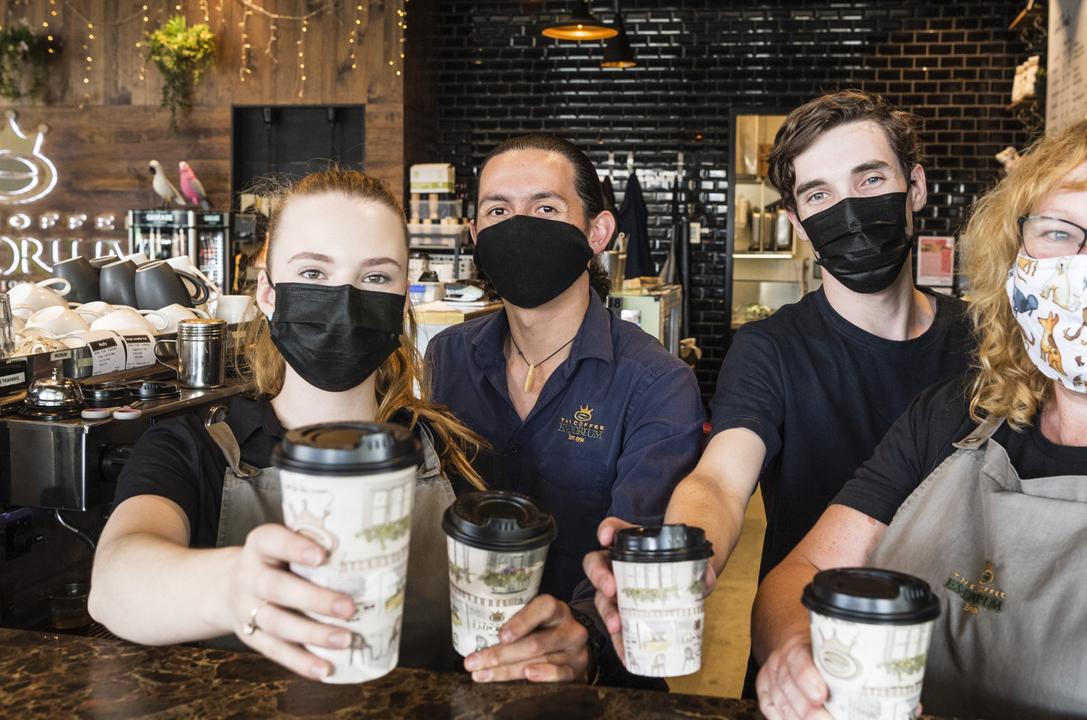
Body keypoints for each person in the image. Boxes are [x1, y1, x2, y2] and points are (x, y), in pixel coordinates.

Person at [753, 104, 1087, 718]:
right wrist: (796, 653)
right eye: (1059, 232)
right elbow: (804, 571)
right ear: (1017, 249)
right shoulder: (957, 414)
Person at [89, 168, 592, 685]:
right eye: (312, 274)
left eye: (375, 278)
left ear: (401, 302)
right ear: (267, 292)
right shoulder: (195, 446)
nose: (344, 299)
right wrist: (229, 587)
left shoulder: (452, 453)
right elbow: (115, 583)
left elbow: (515, 614)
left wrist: (551, 645)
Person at [583, 90, 973, 686]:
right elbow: (720, 477)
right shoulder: (772, 350)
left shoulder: (986, 342)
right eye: (820, 195)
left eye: (870, 181)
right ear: (798, 222)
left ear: (914, 187)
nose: (848, 210)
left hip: (960, 657)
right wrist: (684, 551)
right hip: (805, 654)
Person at [426, 133, 704, 683]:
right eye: (498, 210)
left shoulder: (657, 383)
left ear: (596, 233)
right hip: (459, 666)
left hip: (601, 682)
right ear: (476, 236)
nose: (519, 226)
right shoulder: (445, 357)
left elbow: (637, 546)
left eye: (545, 208)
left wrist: (582, 637)